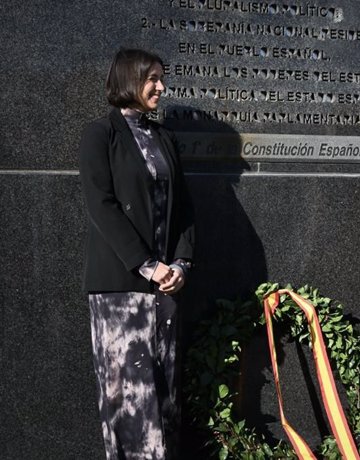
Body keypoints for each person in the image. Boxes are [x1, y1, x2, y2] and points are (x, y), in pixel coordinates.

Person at [78, 48, 195, 460]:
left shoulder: (163, 137)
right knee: (128, 399)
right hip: (121, 289)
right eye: (152, 79)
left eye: (162, 79)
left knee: (164, 397)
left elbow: (184, 210)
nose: (161, 87)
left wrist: (180, 263)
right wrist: (149, 266)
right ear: (129, 79)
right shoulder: (100, 134)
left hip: (165, 288)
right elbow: (101, 206)